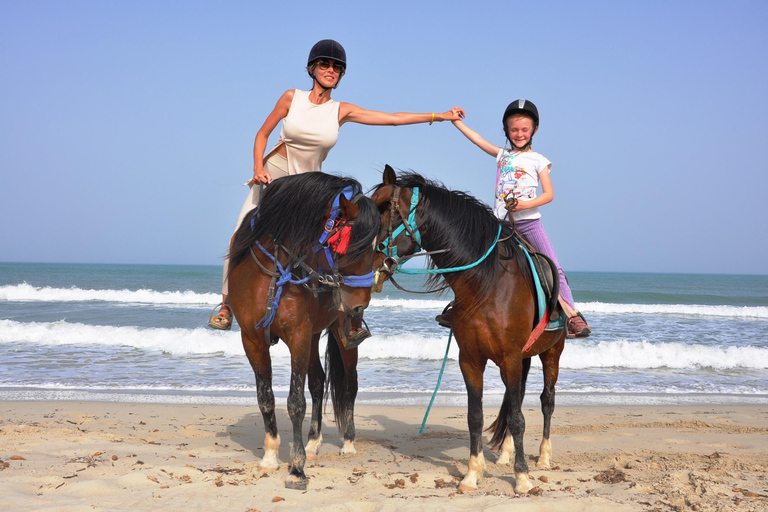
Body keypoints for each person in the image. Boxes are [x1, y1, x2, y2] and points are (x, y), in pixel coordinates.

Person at [208, 39, 465, 330]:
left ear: (341, 74)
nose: (331, 70)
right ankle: (226, 304)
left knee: (338, 238)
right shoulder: (291, 98)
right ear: (313, 68)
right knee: (239, 234)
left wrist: (439, 116)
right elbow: (262, 134)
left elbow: (391, 119)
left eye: (336, 67)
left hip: (307, 185)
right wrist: (257, 167)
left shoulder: (341, 110)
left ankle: (344, 319)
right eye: (325, 64)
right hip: (274, 174)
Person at [435, 99, 591, 338]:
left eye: (524, 129)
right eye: (514, 129)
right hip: (498, 224)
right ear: (506, 131)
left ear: (534, 131)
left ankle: (572, 316)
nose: (519, 134)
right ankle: (459, 305)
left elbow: (549, 195)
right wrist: (454, 121)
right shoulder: (502, 156)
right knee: (474, 261)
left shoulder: (539, 160)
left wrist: (524, 205)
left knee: (551, 266)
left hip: (528, 224)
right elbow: (477, 140)